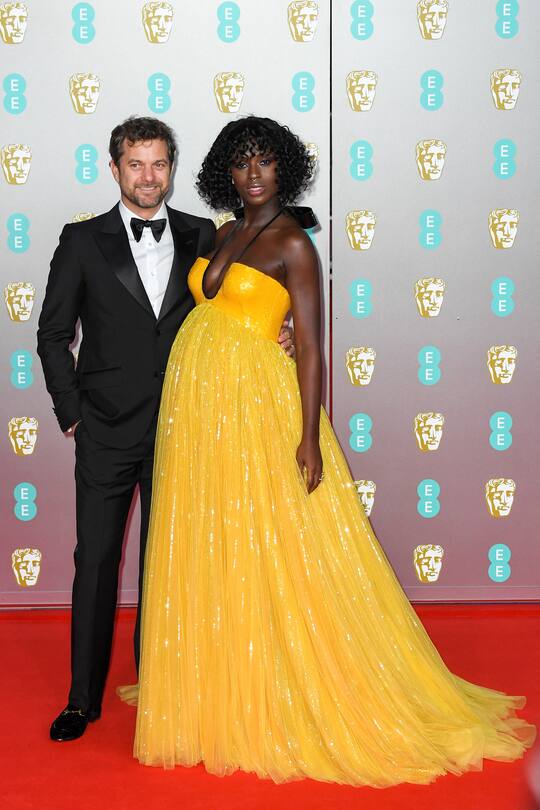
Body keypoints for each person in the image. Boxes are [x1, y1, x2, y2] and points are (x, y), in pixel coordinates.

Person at [122, 116, 535, 784]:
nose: (252, 174)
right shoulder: (224, 232)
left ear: (284, 169)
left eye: (265, 163)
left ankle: (283, 686)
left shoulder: (294, 246)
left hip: (258, 409)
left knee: (278, 539)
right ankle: (221, 678)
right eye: (240, 163)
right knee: (217, 538)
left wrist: (310, 435)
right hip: (198, 415)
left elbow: (310, 344)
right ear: (225, 171)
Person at [37, 115, 293, 743]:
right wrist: (72, 413)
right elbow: (50, 334)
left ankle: (162, 686)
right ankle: (81, 699)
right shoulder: (80, 241)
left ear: (172, 170)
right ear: (115, 167)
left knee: (172, 563)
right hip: (104, 428)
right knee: (94, 562)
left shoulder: (204, 232)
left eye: (159, 165)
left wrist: (277, 332)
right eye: (136, 164)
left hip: (187, 427)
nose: (148, 177)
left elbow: (233, 305)